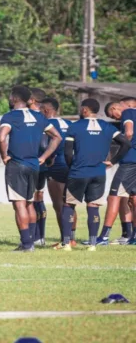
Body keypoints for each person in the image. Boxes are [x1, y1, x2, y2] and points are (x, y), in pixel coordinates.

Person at [57, 98, 130, 251]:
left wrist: (72, 167)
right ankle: (92, 244)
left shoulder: (75, 126)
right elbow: (126, 143)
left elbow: (68, 152)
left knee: (68, 204)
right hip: (98, 173)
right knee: (93, 206)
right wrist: (113, 161)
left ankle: (66, 243)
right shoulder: (107, 126)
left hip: (78, 172)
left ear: (85, 109)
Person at [0, 86, 61, 252]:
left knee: (19, 204)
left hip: (17, 165)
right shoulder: (39, 116)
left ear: (13, 98)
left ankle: (27, 244)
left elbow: (1, 137)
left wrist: (4, 156)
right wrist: (44, 157)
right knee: (29, 203)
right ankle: (30, 241)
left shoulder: (10, 116)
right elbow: (57, 137)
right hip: (34, 165)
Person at [39, 97, 76, 247]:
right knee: (70, 204)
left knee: (59, 205)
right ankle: (72, 238)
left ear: (47, 110)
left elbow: (43, 144)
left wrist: (46, 159)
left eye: (41, 110)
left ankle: (64, 240)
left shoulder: (47, 124)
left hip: (56, 166)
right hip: (71, 165)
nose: (39, 113)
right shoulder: (69, 123)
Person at [100, 101, 136, 245]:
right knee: (133, 198)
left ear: (115, 107)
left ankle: (103, 237)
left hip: (129, 161)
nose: (116, 119)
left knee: (113, 196)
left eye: (113, 115)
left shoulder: (128, 112)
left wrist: (116, 157)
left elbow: (128, 132)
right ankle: (132, 236)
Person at [28, 88, 49, 246]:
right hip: (43, 164)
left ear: (32, 100)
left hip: (33, 162)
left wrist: (42, 156)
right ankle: (40, 236)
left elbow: (43, 142)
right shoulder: (44, 117)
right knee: (39, 196)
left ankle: (34, 236)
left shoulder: (35, 117)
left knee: (31, 199)